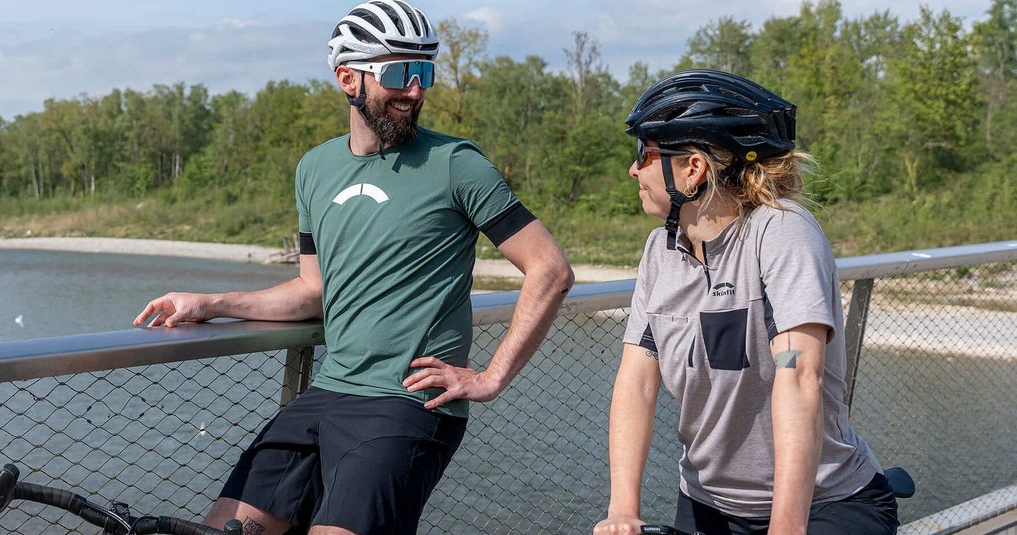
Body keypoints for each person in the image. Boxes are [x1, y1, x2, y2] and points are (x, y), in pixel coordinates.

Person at [133, 1, 574, 533]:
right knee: (227, 527)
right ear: (348, 78)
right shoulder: (315, 168)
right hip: (327, 392)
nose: (416, 90)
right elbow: (312, 291)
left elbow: (549, 269)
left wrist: (490, 377)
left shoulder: (457, 164)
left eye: (425, 72)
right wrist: (210, 303)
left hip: (405, 405)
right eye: (400, 73)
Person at [593, 69, 900, 535]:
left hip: (823, 502)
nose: (634, 169)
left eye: (645, 153)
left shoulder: (781, 231)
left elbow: (799, 373)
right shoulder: (661, 251)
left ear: (692, 168)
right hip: (707, 503)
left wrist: (786, 526)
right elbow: (636, 381)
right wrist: (622, 510)